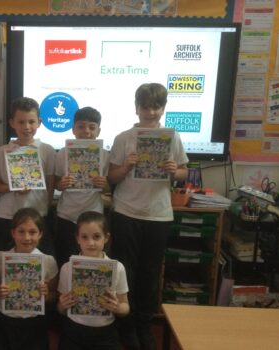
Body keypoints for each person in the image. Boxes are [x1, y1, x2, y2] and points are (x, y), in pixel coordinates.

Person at [108, 83, 188, 350]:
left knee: (150, 274)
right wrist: (127, 166)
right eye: (145, 106)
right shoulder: (123, 138)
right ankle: (126, 327)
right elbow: (112, 177)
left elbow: (183, 173)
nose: (150, 111)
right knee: (125, 272)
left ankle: (144, 326)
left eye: (155, 106)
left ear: (163, 108)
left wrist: (174, 170)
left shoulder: (172, 137)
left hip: (158, 214)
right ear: (137, 107)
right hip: (126, 212)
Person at [0, 97, 55, 253]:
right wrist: (14, 187)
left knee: (38, 260)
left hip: (37, 214)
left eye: (31, 122)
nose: (27, 127)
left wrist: (46, 206)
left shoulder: (47, 150)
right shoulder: (3, 151)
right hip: (7, 215)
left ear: (39, 122)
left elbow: (50, 183)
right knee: (7, 259)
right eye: (21, 122)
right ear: (12, 123)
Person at [57, 211, 129, 350]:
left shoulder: (118, 268)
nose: (91, 243)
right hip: (74, 331)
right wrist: (62, 305)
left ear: (106, 237)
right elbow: (60, 310)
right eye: (84, 237)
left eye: (96, 237)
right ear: (77, 238)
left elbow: (126, 307)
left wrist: (117, 307)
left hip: (106, 333)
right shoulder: (67, 268)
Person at [0, 207, 58, 350]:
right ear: (13, 233)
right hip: (4, 320)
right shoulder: (0, 257)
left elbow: (54, 295)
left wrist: (46, 294)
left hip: (34, 322)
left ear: (40, 234)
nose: (27, 238)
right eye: (21, 231)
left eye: (32, 232)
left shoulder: (48, 261)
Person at [54, 106, 110, 268]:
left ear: (98, 131)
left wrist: (104, 184)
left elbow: (108, 187)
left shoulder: (105, 155)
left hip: (93, 215)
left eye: (92, 127)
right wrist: (61, 184)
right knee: (65, 260)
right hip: (67, 215)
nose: (86, 131)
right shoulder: (63, 153)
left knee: (92, 261)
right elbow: (57, 182)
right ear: (73, 129)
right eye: (81, 126)